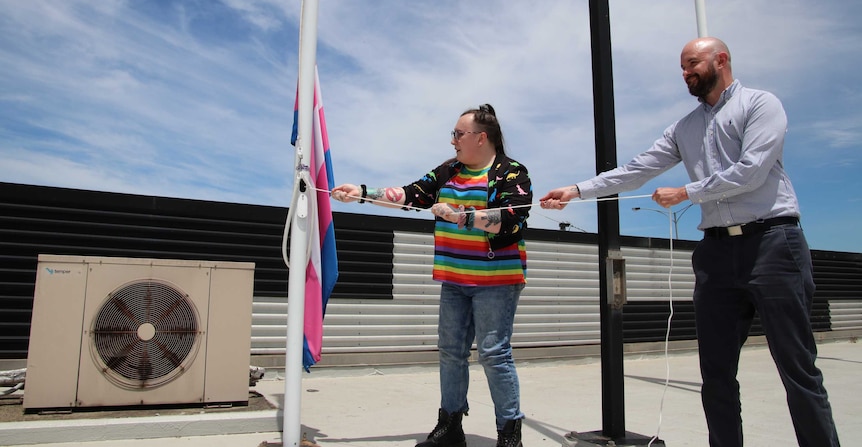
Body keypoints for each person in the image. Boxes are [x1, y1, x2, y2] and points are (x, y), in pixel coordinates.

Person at [540, 37, 840, 447]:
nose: (686, 74)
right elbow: (636, 169)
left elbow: (751, 171)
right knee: (715, 374)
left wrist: (686, 192)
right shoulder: (685, 127)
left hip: (774, 244)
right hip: (716, 254)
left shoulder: (760, 105)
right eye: (682, 67)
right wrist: (576, 190)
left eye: (692, 64)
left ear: (721, 59)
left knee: (798, 370)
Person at [332, 104, 532, 447]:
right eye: (453, 134)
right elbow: (410, 195)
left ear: (481, 137)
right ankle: (450, 426)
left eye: (458, 133)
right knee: (450, 351)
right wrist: (363, 193)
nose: (453, 140)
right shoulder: (448, 171)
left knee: (493, 353)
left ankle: (509, 432)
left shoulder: (511, 172)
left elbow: (511, 221)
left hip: (496, 280)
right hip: (454, 279)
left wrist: (460, 217)